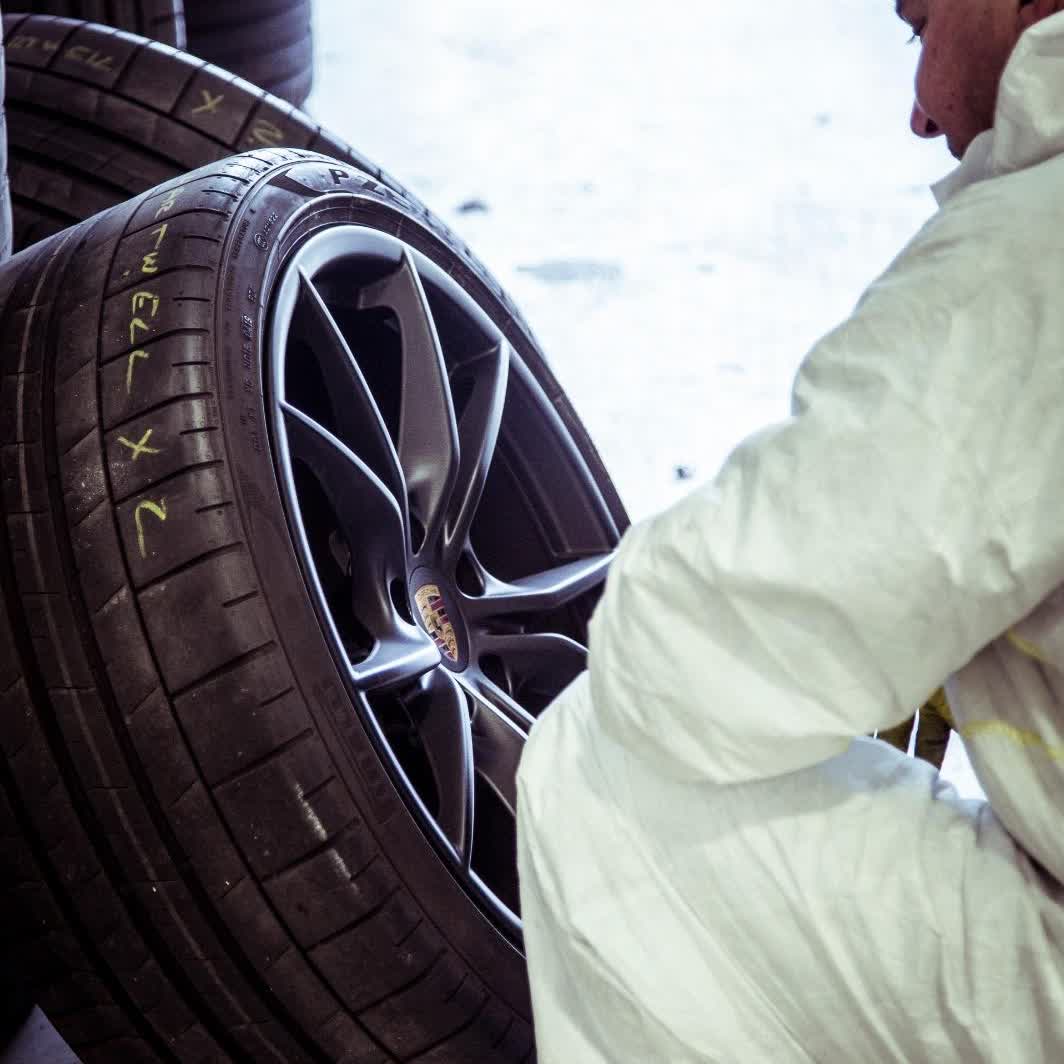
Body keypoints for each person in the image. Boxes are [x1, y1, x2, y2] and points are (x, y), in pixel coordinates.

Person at [515, 0, 1064, 1060]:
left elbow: (688, 649)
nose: (918, 114)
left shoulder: (1034, 251)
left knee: (601, 764)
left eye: (915, 30)